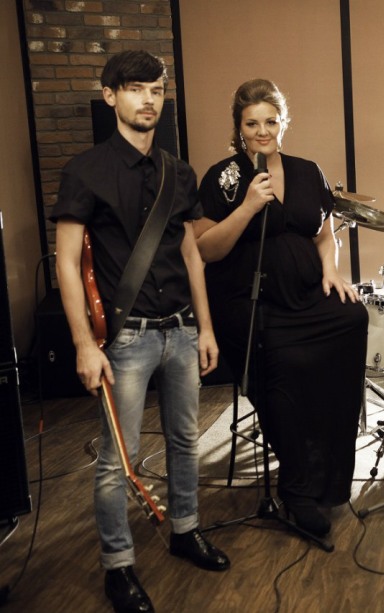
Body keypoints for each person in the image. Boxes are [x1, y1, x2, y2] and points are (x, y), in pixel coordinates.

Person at [52, 50, 229, 613]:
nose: (148, 99)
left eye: (156, 89)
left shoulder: (179, 171)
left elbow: (190, 253)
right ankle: (118, 565)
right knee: (116, 460)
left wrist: (204, 327)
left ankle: (185, 530)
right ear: (110, 96)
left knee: (185, 442)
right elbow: (65, 263)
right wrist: (84, 343)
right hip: (125, 338)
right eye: (134, 89)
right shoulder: (85, 171)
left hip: (181, 329)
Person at [193, 79, 368, 539]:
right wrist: (248, 207)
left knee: (352, 317)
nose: (262, 131)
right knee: (286, 364)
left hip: (306, 294)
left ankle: (328, 473)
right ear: (239, 128)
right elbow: (206, 248)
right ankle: (296, 485)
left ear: (283, 123)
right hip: (248, 303)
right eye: (252, 124)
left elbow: (324, 233)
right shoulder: (225, 177)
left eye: (270, 121)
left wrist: (331, 271)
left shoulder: (307, 171)